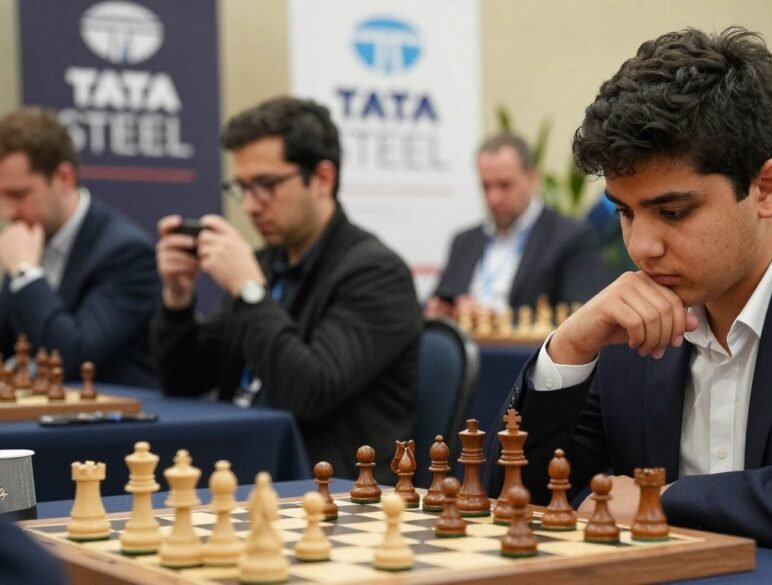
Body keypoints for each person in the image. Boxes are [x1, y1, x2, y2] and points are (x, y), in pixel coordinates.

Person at [486, 27, 772, 560]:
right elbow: (517, 496)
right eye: (625, 212)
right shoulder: (634, 316)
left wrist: (659, 500)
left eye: (673, 212)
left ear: (768, 188)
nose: (642, 247)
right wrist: (567, 351)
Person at [150, 97, 421, 479]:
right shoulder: (266, 265)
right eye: (241, 187)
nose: (250, 205)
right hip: (244, 469)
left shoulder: (376, 274)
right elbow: (185, 380)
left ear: (323, 179)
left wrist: (250, 293)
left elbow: (311, 391)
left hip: (328, 491)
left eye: (266, 185)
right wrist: (178, 298)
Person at [0, 107, 160, 387]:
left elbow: (74, 356)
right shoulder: (31, 237)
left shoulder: (126, 252)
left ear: (64, 178)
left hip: (114, 423)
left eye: (18, 195)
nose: (8, 212)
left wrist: (26, 274)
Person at [425, 134, 608, 318]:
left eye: (504, 185)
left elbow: (579, 315)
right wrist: (439, 309)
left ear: (532, 178)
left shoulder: (571, 237)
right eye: (486, 186)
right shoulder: (464, 241)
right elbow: (434, 301)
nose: (494, 198)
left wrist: (494, 318)